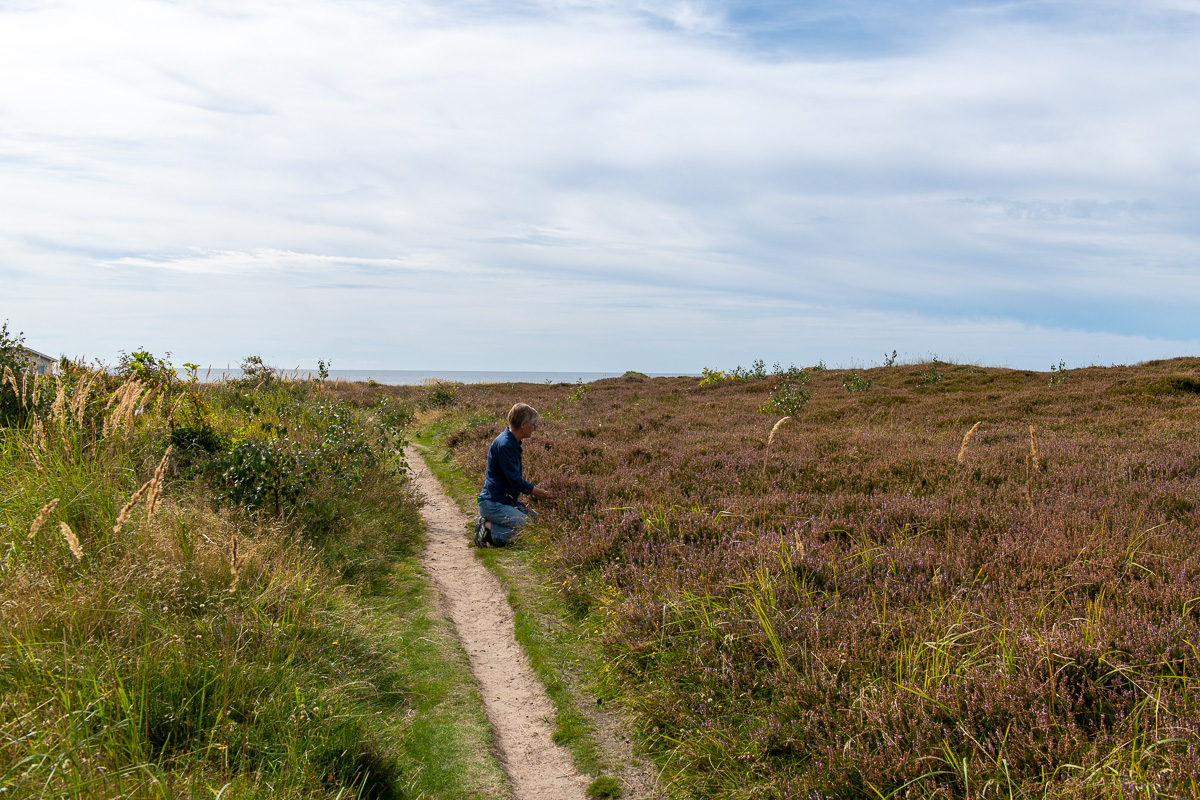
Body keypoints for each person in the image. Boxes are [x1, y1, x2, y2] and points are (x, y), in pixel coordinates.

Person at [475, 402, 553, 547]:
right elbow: (515, 481)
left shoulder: (512, 442)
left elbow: (508, 481)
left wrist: (516, 502)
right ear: (523, 425)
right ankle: (487, 528)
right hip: (493, 504)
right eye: (533, 425)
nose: (534, 429)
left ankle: (491, 526)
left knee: (535, 520)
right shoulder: (505, 445)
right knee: (530, 529)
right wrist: (543, 493)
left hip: (502, 500)